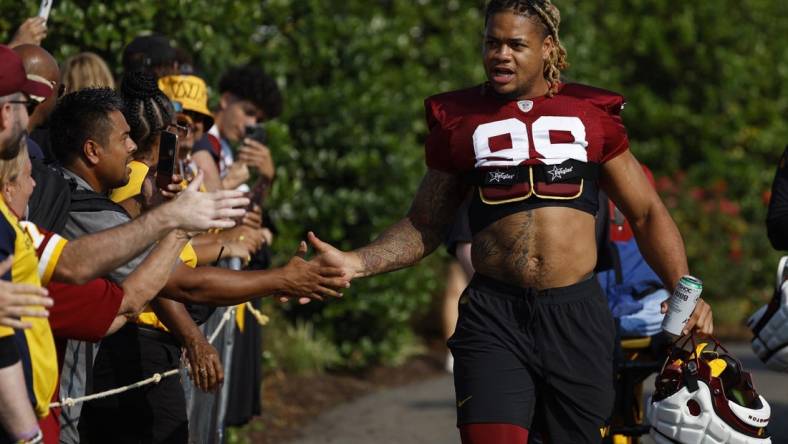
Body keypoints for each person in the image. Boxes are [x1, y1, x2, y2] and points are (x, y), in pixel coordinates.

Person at [308, 1, 714, 443]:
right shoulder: (460, 121)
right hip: (493, 316)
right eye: (491, 42)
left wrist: (683, 290)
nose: (500, 54)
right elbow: (425, 223)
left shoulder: (592, 115)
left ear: (548, 48)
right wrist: (356, 262)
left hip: (575, 315)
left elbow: (646, 211)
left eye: (516, 44)